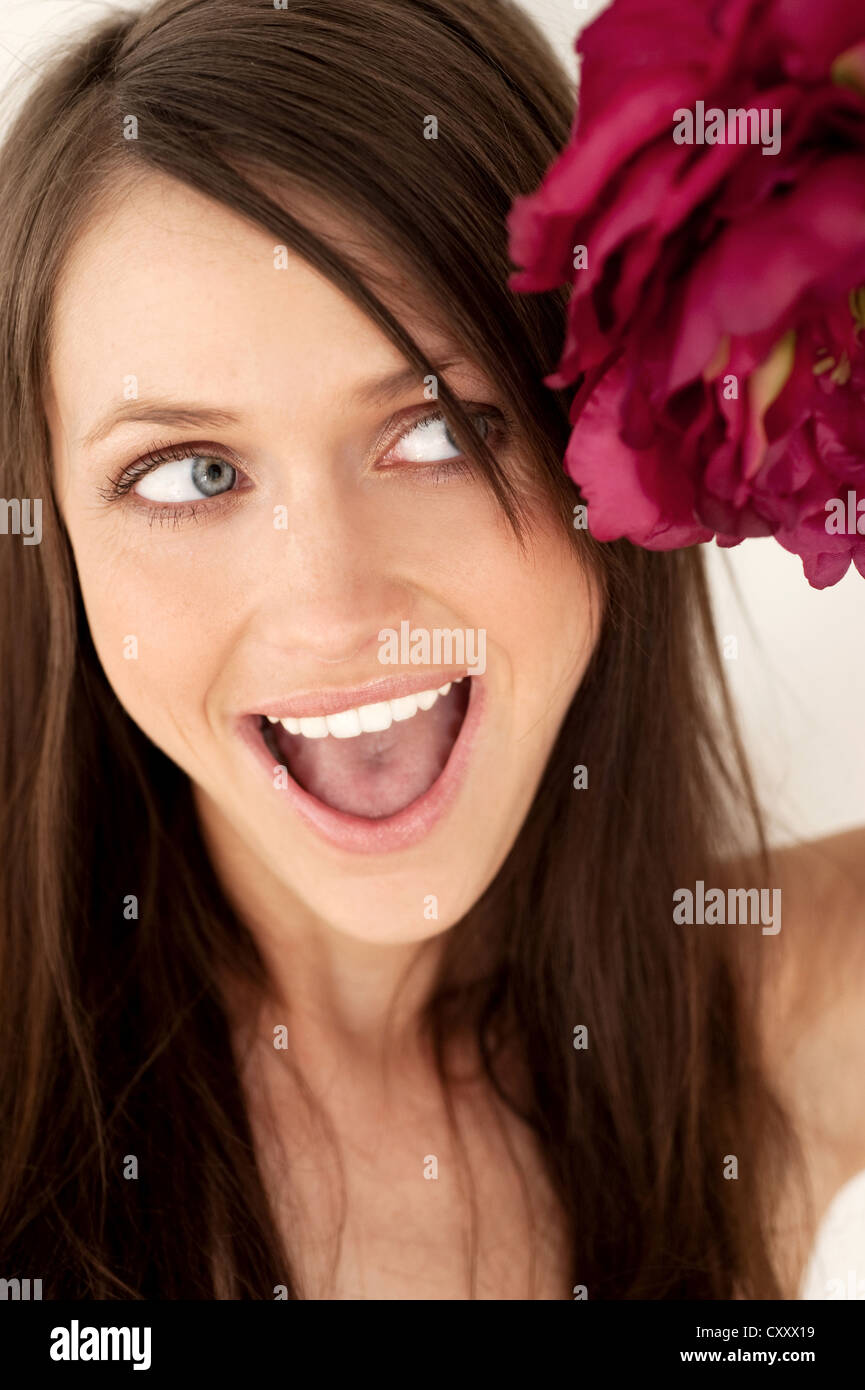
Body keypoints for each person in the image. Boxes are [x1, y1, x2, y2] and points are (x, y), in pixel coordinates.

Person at [0, 0, 861, 1300]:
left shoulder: (795, 995)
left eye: (444, 426)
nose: (334, 606)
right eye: (190, 469)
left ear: (616, 441)